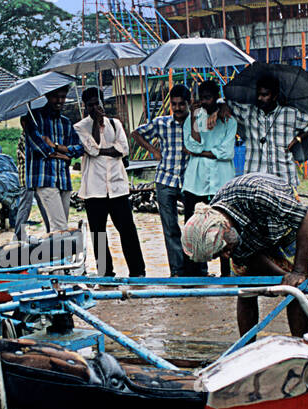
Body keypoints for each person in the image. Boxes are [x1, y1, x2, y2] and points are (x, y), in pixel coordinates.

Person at [180, 173, 308, 338]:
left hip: (284, 230)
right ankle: (246, 347)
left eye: (224, 249)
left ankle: (303, 346)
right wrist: (283, 278)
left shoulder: (256, 194)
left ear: (226, 226)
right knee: (246, 290)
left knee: (297, 290)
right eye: (219, 255)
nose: (226, 255)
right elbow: (249, 257)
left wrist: (298, 273)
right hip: (254, 239)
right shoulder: (217, 224)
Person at [75, 87, 145, 277]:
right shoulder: (80, 127)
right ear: (85, 107)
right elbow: (93, 149)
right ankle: (106, 273)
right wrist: (97, 126)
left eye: (97, 103)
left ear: (102, 103)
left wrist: (105, 150)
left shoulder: (115, 124)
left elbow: (123, 149)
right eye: (90, 105)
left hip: (117, 186)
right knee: (99, 234)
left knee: (127, 230)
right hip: (94, 189)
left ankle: (138, 272)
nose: (95, 107)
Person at [224, 73, 308, 190]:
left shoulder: (289, 114)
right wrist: (221, 107)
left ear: (275, 96)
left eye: (265, 95)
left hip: (284, 178)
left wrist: (298, 139)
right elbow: (225, 103)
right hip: (255, 180)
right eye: (258, 95)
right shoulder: (249, 112)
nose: (260, 98)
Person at [131, 84, 191, 275]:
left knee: (194, 228)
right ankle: (177, 271)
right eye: (174, 104)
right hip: (165, 180)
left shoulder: (196, 123)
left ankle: (197, 270)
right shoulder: (161, 122)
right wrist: (153, 151)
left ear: (189, 104)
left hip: (190, 181)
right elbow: (136, 134)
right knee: (170, 228)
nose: (178, 108)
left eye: (182, 104)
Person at [181, 80, 237, 275]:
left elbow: (227, 151)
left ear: (216, 97)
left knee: (225, 226)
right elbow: (190, 146)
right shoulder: (193, 119)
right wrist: (196, 120)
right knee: (193, 227)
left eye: (208, 97)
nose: (204, 101)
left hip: (222, 181)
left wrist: (202, 152)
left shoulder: (229, 120)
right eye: (201, 97)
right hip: (196, 181)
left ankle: (226, 272)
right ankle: (194, 273)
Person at [19, 85, 82, 232]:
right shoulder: (34, 119)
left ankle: (57, 254)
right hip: (44, 179)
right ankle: (59, 254)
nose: (59, 100)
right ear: (47, 96)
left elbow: (79, 149)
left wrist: (56, 146)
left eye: (62, 97)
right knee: (59, 227)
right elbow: (41, 149)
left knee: (59, 227)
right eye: (55, 96)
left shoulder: (66, 122)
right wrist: (64, 154)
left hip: (64, 180)